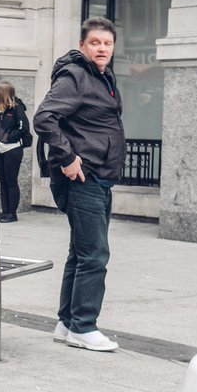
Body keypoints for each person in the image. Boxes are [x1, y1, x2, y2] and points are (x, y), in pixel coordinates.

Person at [33, 17, 124, 353]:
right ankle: (84, 326)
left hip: (99, 177)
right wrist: (67, 157)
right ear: (83, 46)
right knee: (95, 255)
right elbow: (44, 118)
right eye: (95, 43)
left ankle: (67, 323)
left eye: (107, 43)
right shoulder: (77, 75)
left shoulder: (103, 77)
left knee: (81, 252)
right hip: (84, 177)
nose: (102, 48)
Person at [0, 82, 30, 222]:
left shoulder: (17, 109)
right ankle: (4, 211)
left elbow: (23, 128)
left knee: (11, 181)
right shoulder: (1, 109)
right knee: (3, 182)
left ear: (3, 93)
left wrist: (9, 138)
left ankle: (12, 213)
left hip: (12, 150)